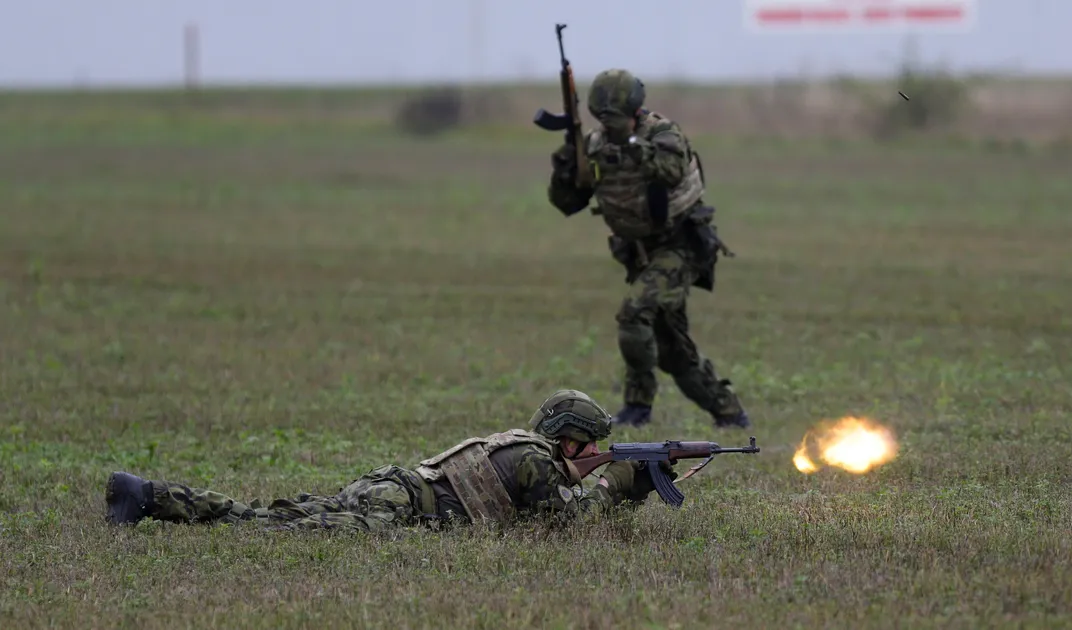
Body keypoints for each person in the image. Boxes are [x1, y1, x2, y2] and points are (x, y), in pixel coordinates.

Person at [104, 390, 676, 531]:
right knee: (267, 526)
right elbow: (564, 525)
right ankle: (145, 496)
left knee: (273, 516)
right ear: (570, 439)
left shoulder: (524, 447)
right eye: (590, 445)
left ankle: (145, 494)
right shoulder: (535, 461)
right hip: (399, 509)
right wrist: (622, 483)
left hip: (395, 488)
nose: (592, 453)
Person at [547, 68, 749, 430]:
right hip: (639, 254)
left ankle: (637, 407)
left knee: (634, 313)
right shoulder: (593, 145)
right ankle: (729, 412)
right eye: (603, 116)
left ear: (634, 111)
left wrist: (630, 146)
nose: (608, 123)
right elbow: (567, 202)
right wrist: (567, 163)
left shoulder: (662, 133)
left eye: (615, 116)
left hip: (681, 247)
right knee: (671, 347)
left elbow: (670, 170)